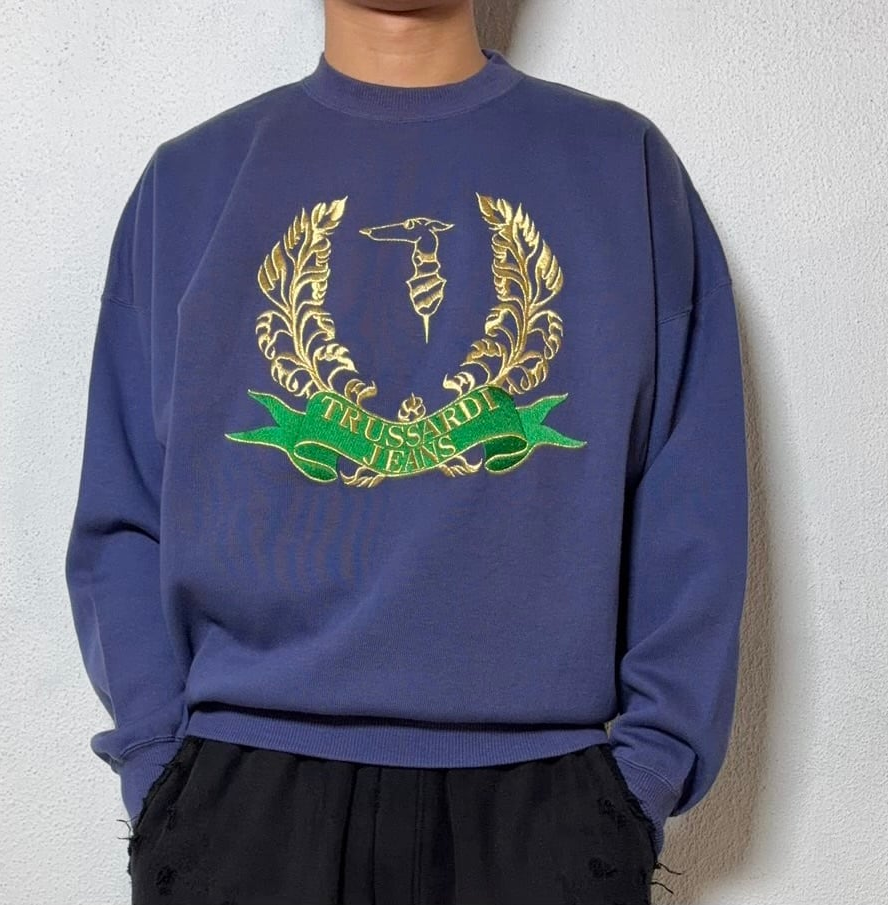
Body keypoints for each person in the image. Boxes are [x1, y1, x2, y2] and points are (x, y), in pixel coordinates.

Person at [64, 1, 749, 903]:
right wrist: (162, 773)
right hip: (243, 801)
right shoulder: (189, 183)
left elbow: (694, 503)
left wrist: (645, 775)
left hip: (545, 803)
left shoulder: (623, 167)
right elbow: (120, 511)